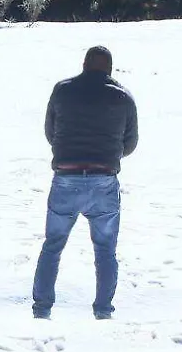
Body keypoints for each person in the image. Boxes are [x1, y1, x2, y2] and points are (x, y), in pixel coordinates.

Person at [34, 47, 138, 320]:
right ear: (110, 69)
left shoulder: (62, 90)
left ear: (84, 64)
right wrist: (110, 153)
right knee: (105, 249)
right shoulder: (123, 96)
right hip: (103, 178)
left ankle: (42, 309)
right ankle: (103, 311)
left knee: (53, 245)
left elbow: (50, 131)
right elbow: (130, 143)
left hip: (66, 176)